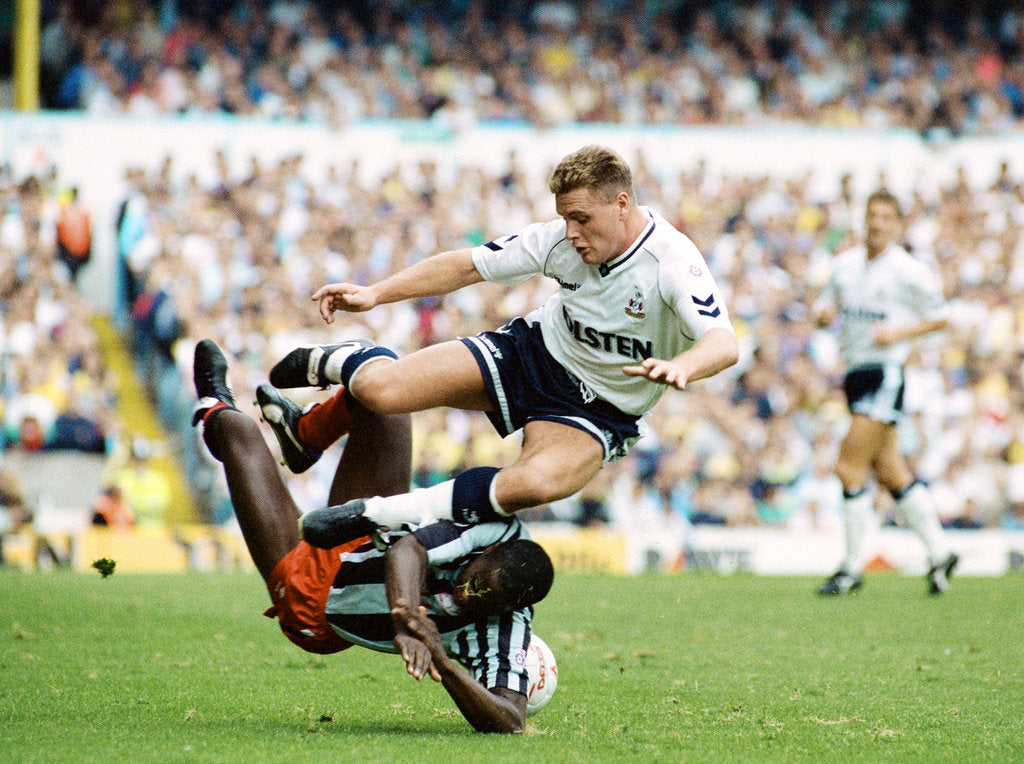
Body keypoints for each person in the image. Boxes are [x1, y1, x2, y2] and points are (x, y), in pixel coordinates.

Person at [258, 145, 739, 545]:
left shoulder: (671, 261)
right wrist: (376, 293)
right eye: (564, 219)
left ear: (621, 204)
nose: (571, 233)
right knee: (381, 391)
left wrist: (685, 366)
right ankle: (332, 381)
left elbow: (722, 342)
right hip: (531, 355)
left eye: (581, 218)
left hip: (601, 409)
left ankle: (375, 515)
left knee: (533, 484)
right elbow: (469, 265)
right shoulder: (558, 240)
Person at [191, 339, 554, 733]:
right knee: (388, 392)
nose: (469, 596)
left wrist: (443, 661)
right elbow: (408, 549)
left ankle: (212, 407)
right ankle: (305, 434)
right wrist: (406, 619)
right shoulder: (494, 528)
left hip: (320, 599)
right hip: (364, 534)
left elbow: (511, 720)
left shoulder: (507, 628)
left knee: (239, 431)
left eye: (485, 602)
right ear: (492, 551)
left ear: (512, 608)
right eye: (476, 583)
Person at [814, 189, 958, 596]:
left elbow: (941, 316)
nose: (876, 223)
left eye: (884, 217)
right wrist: (823, 315)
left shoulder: (907, 270)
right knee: (891, 471)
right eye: (871, 215)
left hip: (884, 372)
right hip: (855, 372)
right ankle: (941, 553)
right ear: (864, 219)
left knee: (848, 467)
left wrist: (899, 333)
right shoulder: (845, 266)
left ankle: (851, 568)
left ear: (896, 224)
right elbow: (825, 306)